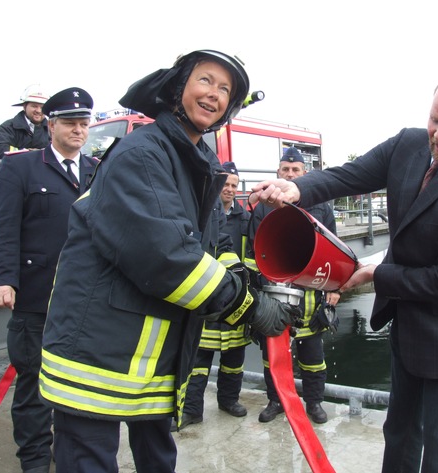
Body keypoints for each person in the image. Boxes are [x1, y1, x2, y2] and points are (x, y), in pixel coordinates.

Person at [37, 49, 300, 473]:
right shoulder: (142, 155)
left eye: (225, 90)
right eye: (205, 80)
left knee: (159, 458)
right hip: (97, 353)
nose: (214, 94)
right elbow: (169, 259)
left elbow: (207, 249)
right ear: (178, 89)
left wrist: (253, 287)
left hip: (148, 354)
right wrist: (248, 308)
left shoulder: (194, 163)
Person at [250, 74, 438, 472]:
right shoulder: (407, 144)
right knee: (400, 431)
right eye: (434, 120)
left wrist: (373, 274)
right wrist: (295, 190)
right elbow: (347, 176)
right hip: (409, 327)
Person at [0, 86, 98, 473]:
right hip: (37, 297)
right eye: (70, 122)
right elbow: (3, 228)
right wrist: (3, 279)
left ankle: (69, 454)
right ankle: (35, 461)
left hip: (84, 300)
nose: (78, 129)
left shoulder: (96, 171)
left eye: (84, 123)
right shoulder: (21, 167)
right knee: (33, 387)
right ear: (50, 125)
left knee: (77, 386)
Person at [247, 146, 341, 424]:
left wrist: (335, 289)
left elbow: (335, 250)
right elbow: (253, 255)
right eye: (285, 170)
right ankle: (276, 401)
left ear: (304, 174)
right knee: (273, 356)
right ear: (278, 173)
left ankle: (314, 403)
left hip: (311, 299)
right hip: (273, 299)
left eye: (295, 170)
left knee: (313, 357)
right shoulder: (262, 208)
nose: (290, 173)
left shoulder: (321, 208)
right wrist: (255, 295)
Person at [174, 161, 253, 431]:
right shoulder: (204, 213)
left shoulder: (246, 219)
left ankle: (228, 401)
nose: (229, 189)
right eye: (226, 184)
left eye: (234, 185)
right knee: (199, 360)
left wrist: (246, 288)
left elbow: (251, 257)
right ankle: (192, 410)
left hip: (236, 297)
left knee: (234, 359)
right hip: (207, 295)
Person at [0, 84, 51, 159]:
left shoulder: (53, 129)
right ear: (24, 107)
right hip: (14, 170)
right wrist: (26, 153)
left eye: (42, 107)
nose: (39, 111)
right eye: (34, 106)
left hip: (42, 171)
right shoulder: (9, 127)